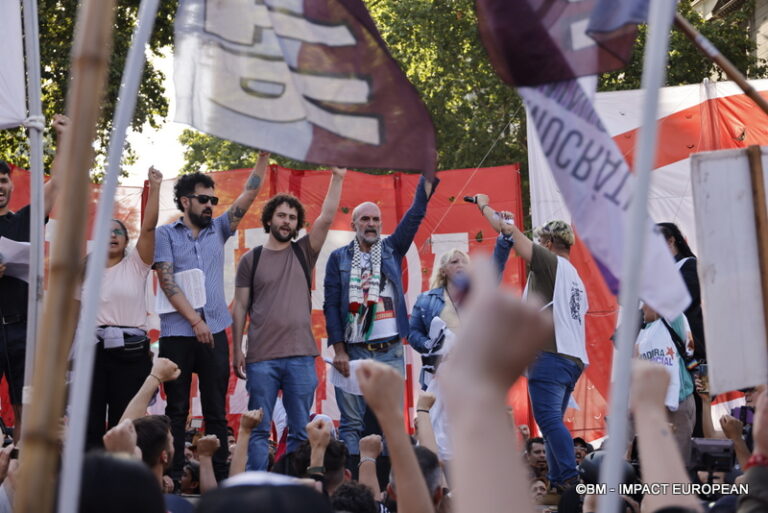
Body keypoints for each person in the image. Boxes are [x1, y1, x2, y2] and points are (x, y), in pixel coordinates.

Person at [154, 152, 270, 483]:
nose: (210, 205)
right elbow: (166, 280)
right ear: (185, 201)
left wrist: (263, 157)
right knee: (176, 410)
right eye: (204, 199)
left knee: (216, 412)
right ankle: (172, 478)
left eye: (214, 200)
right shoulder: (166, 234)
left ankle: (220, 480)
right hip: (178, 333)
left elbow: (250, 194)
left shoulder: (219, 229)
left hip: (216, 331)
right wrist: (195, 321)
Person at [231, 167, 346, 471]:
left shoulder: (304, 252)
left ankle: (292, 489)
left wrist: (338, 177)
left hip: (300, 357)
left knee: (299, 431)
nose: (287, 221)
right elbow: (240, 307)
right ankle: (258, 491)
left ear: (297, 225)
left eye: (292, 217)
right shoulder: (250, 259)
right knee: (258, 429)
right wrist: (236, 351)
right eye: (282, 215)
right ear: (269, 219)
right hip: (260, 359)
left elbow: (326, 217)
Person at [323, 174, 439, 466]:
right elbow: (330, 306)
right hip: (353, 351)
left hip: (390, 352)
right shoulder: (338, 258)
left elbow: (416, 214)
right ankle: (355, 484)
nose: (371, 224)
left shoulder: (391, 249)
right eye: (365, 220)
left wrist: (427, 174)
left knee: (391, 423)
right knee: (351, 423)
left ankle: (390, 489)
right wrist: (339, 349)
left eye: (376, 219)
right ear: (354, 225)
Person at [476, 195, 588, 492]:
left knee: (549, 421)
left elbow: (509, 234)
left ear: (548, 244)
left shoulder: (550, 263)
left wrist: (484, 205)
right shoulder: (575, 277)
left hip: (550, 355)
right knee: (550, 425)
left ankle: (568, 479)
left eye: (540, 241)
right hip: (571, 359)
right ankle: (558, 483)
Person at [83, 166, 162, 450]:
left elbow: (150, 227)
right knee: (89, 421)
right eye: (107, 231)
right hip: (92, 352)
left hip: (130, 353)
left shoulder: (136, 265)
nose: (113, 235)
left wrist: (155, 188)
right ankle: (89, 479)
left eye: (119, 232)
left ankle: (122, 479)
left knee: (125, 421)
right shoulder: (86, 272)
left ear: (127, 241)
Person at [0, 114, 67, 441]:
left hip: (20, 326)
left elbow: (57, 183)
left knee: (24, 397)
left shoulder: (24, 219)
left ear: (11, 185)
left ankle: (20, 465)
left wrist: (62, 141)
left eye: (3, 180)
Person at [635, 303, 696, 458]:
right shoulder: (642, 332)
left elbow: (690, 350)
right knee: (658, 463)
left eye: (645, 304)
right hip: (654, 409)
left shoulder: (673, 319)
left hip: (679, 403)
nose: (642, 309)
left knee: (678, 462)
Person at [657, 223, 704, 361]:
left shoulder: (689, 265)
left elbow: (679, 301)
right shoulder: (656, 275)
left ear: (671, 241)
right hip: (664, 350)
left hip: (689, 348)